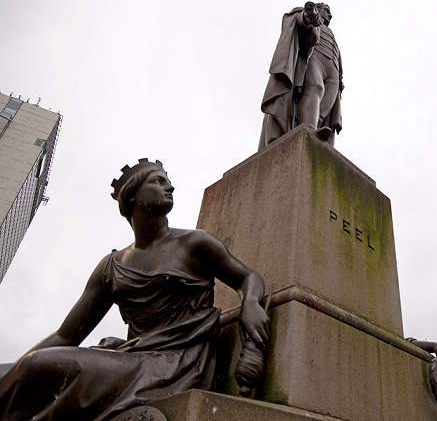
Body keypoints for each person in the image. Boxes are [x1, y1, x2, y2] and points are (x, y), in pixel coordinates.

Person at [0, 159, 270, 421]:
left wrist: (250, 303)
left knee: (42, 369)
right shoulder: (112, 267)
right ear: (132, 196)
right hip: (133, 357)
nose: (170, 187)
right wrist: (14, 369)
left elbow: (248, 277)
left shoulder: (195, 243)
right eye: (158, 181)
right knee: (16, 371)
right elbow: (64, 336)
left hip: (177, 364)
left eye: (168, 181)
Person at [259, 1, 343, 150]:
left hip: (333, 71)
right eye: (326, 10)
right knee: (315, 87)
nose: (329, 14)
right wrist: (308, 16)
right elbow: (297, 20)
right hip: (313, 58)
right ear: (317, 8)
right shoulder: (308, 15)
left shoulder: (332, 34)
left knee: (327, 105)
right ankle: (309, 128)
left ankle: (317, 125)